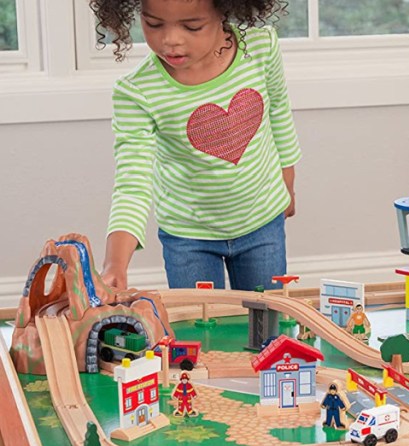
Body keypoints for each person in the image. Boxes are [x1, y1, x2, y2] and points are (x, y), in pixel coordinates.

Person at [90, 0, 301, 291]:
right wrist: (114, 263)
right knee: (199, 327)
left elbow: (278, 109)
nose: (170, 41)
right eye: (153, 24)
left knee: (266, 325)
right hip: (188, 238)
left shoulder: (261, 48)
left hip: (263, 223)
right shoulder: (137, 92)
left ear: (224, 10)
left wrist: (287, 178)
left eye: (192, 26)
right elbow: (132, 183)